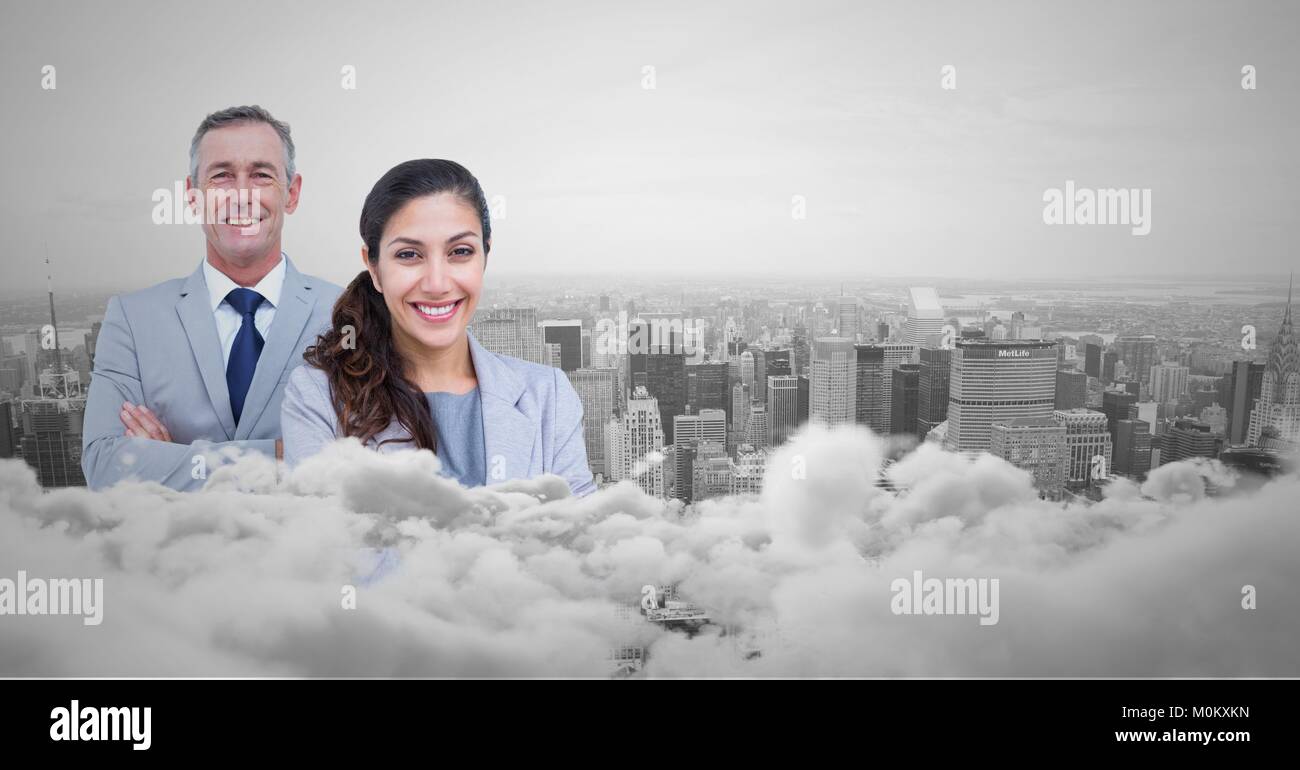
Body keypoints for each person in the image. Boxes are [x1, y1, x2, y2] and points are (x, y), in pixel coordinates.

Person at [281, 159, 596, 498]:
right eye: (409, 255)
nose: (436, 283)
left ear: (485, 257)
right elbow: (325, 545)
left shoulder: (548, 396)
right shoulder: (318, 398)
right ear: (374, 268)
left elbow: (582, 542)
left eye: (460, 252)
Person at [82, 105, 341, 491]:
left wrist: (175, 465)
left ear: (292, 193)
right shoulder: (133, 320)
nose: (240, 195)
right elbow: (105, 465)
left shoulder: (350, 316)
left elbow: (366, 463)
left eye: (261, 175)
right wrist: (284, 457)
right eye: (221, 176)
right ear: (192, 196)